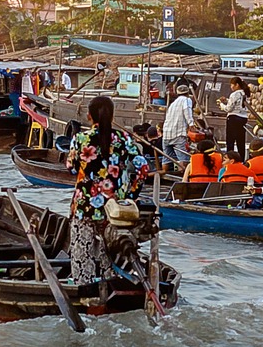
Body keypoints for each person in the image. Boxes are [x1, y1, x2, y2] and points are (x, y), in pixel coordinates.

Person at [66, 95, 150, 284]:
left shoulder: (80, 139)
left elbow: (71, 168)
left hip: (85, 206)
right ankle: (109, 284)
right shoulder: (124, 138)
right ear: (112, 116)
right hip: (116, 207)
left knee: (82, 256)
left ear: (89, 116)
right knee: (109, 256)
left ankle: (84, 289)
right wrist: (131, 195)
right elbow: (143, 168)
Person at [161, 83, 195, 171]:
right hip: (178, 134)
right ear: (188, 93)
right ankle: (183, 176)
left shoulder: (173, 104)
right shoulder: (186, 100)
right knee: (183, 159)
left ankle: (164, 174)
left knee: (166, 158)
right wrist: (191, 124)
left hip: (166, 134)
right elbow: (187, 111)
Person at [218, 76, 250, 157]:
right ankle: (241, 159)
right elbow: (239, 103)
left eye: (232, 84)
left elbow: (228, 108)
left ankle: (230, 157)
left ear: (237, 85)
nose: (231, 86)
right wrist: (227, 100)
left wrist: (221, 104)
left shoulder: (234, 94)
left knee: (230, 141)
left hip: (233, 118)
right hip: (243, 118)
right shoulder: (245, 93)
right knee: (241, 141)